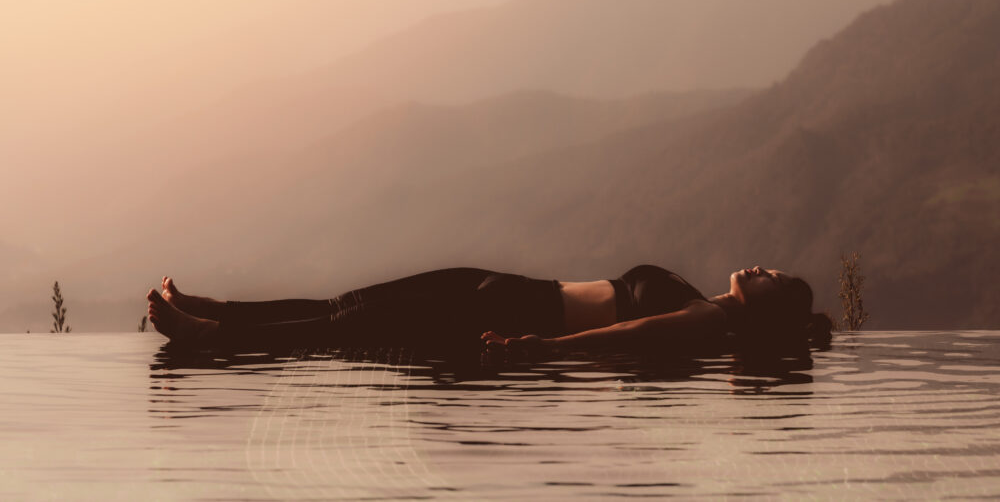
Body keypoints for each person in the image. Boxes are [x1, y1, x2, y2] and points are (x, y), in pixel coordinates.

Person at [145, 264, 833, 358]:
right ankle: (219, 310)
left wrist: (541, 346)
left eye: (775, 276)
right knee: (350, 304)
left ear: (768, 306)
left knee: (350, 328)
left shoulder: (712, 319)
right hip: (517, 287)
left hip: (528, 309)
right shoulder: (706, 297)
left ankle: (211, 336)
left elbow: (638, 330)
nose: (762, 266)